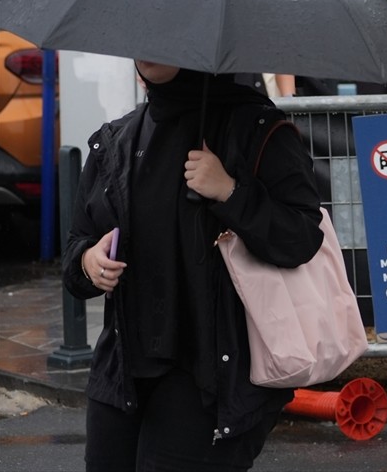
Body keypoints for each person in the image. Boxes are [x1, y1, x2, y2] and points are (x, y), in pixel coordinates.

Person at [62, 61, 325, 471]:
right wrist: (88, 261)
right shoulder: (116, 139)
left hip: (210, 375)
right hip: (123, 371)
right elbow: (76, 249)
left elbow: (302, 238)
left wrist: (231, 192)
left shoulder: (255, 129)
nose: (147, 50)